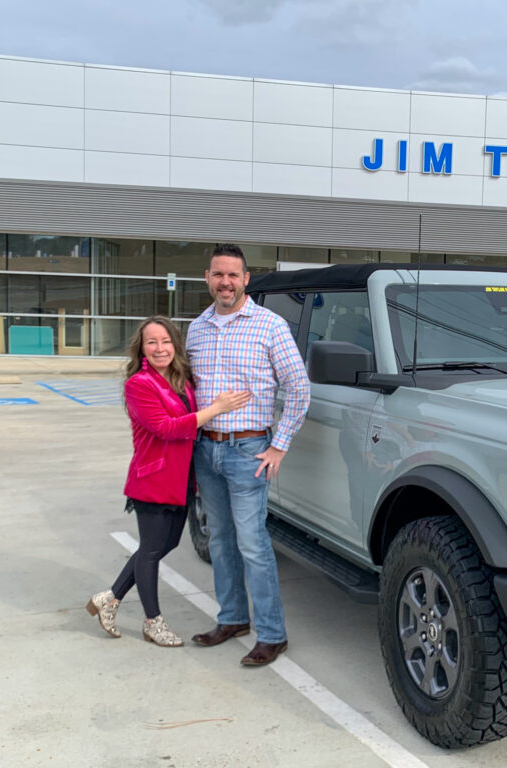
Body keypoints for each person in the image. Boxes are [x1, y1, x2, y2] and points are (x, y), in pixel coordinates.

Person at [87, 316, 249, 646]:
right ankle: (152, 622)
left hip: (181, 479)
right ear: (141, 349)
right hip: (154, 478)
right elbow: (167, 427)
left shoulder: (180, 380)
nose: (160, 348)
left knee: (166, 544)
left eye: (165, 341)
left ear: (175, 345)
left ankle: (110, 599)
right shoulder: (139, 384)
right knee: (150, 551)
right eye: (152, 342)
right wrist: (217, 408)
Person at [186, 244, 310, 667]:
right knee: (220, 541)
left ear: (246, 279)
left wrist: (280, 444)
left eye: (233, 275)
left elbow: (299, 387)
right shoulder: (196, 328)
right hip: (207, 450)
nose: (225, 282)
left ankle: (272, 634)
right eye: (218, 274)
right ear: (208, 277)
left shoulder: (270, 326)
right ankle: (233, 619)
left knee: (253, 544)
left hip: (249, 450)